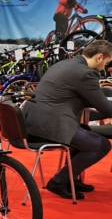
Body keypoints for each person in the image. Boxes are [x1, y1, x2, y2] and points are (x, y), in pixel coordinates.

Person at [22, 39, 112, 199]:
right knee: (101, 145)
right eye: (107, 62)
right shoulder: (85, 73)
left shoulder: (64, 64)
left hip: (33, 122)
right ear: (99, 57)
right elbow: (106, 109)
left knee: (85, 134)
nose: (105, 66)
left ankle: (71, 178)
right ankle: (59, 181)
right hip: (49, 125)